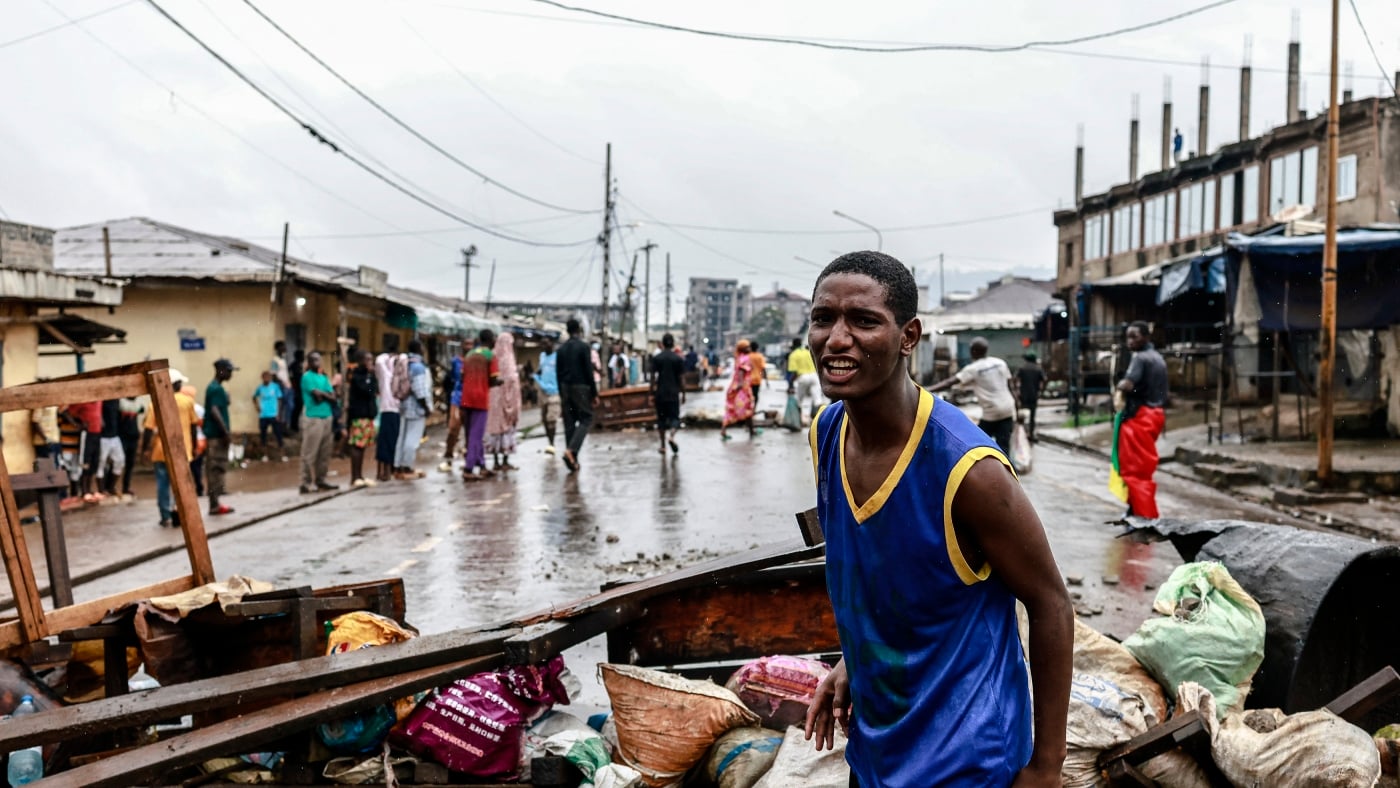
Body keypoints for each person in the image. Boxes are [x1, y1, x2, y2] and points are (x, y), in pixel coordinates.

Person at [801, 251, 1071, 787]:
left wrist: (1046, 766)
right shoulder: (826, 434)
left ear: (909, 336)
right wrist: (852, 663)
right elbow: (889, 577)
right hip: (876, 750)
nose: (836, 338)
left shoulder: (969, 470)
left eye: (864, 320)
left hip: (966, 761)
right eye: (823, 317)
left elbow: (1051, 604)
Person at [1112, 321, 1169, 519]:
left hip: (1140, 417)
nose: (1130, 341)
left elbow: (1128, 385)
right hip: (1155, 415)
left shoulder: (1140, 358)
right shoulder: (1157, 358)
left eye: (1134, 336)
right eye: (1128, 336)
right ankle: (1134, 509)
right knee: (1141, 468)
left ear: (1146, 337)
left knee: (1134, 471)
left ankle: (1145, 516)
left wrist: (1119, 384)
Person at [930, 337, 1018, 455]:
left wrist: (928, 389)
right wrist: (1018, 405)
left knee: (978, 444)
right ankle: (1008, 471)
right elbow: (1010, 386)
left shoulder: (973, 369)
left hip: (991, 413)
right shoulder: (999, 362)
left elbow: (949, 382)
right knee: (1004, 446)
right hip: (1008, 409)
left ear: (973, 351)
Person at [140, 369, 200, 528]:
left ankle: (165, 515)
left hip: (161, 451)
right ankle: (177, 511)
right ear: (178, 384)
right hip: (182, 451)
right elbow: (194, 426)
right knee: (180, 485)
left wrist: (145, 449)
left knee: (162, 484)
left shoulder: (155, 403)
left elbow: (148, 429)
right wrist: (194, 447)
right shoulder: (187, 402)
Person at [558, 319, 598, 473]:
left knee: (569, 422)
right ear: (579, 330)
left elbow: (558, 374)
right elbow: (589, 372)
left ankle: (573, 458)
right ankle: (571, 450)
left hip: (565, 388)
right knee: (586, 418)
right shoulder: (583, 347)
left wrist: (562, 395)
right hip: (581, 387)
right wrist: (594, 393)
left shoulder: (561, 349)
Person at [460, 330, 500, 480]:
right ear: (490, 340)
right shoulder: (490, 355)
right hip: (480, 398)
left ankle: (481, 465)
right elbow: (494, 379)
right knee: (476, 435)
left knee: (471, 433)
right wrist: (498, 382)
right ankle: (469, 468)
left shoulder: (469, 355)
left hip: (466, 397)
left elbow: (462, 375)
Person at [298, 351, 338, 493]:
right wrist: (326, 395)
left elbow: (333, 397)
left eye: (319, 360)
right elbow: (316, 396)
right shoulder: (307, 377)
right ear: (309, 362)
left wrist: (325, 395)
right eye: (314, 360)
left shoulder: (323, 377)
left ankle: (321, 480)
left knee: (324, 452)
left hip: (327, 416)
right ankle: (305, 482)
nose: (317, 363)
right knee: (309, 452)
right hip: (313, 417)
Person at [394, 340, 432, 479]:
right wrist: (426, 407)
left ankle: (398, 466)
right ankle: (407, 467)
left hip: (404, 405)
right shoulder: (418, 367)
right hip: (416, 408)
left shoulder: (405, 363)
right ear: (420, 348)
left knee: (402, 437)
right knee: (412, 439)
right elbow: (420, 390)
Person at [203, 359, 237, 515]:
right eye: (229, 371)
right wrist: (225, 432)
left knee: (218, 468)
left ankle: (216, 501)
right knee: (215, 469)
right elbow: (215, 411)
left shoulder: (217, 389)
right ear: (221, 370)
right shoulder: (215, 389)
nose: (231, 374)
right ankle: (214, 503)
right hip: (217, 436)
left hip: (217, 435)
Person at [485, 331, 521, 471]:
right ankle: (505, 460)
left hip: (493, 400)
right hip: (508, 400)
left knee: (495, 428)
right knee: (507, 429)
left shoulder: (492, 355)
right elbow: (512, 380)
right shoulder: (509, 359)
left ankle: (496, 462)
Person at [346, 349, 378, 488]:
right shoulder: (358, 376)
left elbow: (374, 389)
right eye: (368, 360)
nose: (371, 363)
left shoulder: (367, 376)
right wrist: (371, 376)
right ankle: (355, 476)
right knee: (357, 446)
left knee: (362, 445)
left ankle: (360, 475)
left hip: (367, 414)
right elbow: (368, 390)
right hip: (359, 415)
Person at [650, 333, 685, 455]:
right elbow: (681, 378)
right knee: (675, 418)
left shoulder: (657, 358)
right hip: (673, 393)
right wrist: (683, 393)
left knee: (661, 420)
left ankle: (663, 445)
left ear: (663, 344)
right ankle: (672, 436)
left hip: (660, 393)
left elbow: (653, 378)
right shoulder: (678, 359)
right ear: (673, 344)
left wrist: (651, 393)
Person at [374, 351, 401, 483]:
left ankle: (391, 469)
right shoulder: (386, 376)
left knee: (394, 442)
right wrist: (390, 356)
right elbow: (379, 361)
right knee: (384, 443)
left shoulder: (401, 378)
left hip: (398, 413)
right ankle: (382, 472)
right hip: (387, 411)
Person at [720, 340, 756, 440]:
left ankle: (751, 431)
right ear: (742, 349)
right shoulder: (745, 358)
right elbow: (741, 371)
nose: (749, 349)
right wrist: (740, 384)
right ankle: (751, 431)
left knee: (734, 409)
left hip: (738, 387)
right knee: (746, 409)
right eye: (747, 347)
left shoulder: (739, 358)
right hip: (742, 388)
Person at [440, 343, 468, 471]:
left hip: (470, 398)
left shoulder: (474, 360)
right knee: (453, 428)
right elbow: (450, 378)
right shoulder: (455, 361)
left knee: (469, 430)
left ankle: (469, 458)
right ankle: (449, 454)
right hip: (457, 397)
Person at [70, 400, 103, 502]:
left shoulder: (99, 401)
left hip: (97, 433)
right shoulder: (83, 401)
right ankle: (84, 491)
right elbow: (68, 412)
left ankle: (89, 489)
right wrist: (76, 424)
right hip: (86, 434)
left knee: (94, 462)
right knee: (85, 462)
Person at [787, 338, 823, 420]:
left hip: (803, 377)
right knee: (817, 400)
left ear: (793, 345)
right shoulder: (808, 352)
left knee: (798, 401)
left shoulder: (793, 355)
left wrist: (790, 384)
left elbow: (794, 372)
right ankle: (820, 419)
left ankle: (798, 420)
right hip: (814, 376)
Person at [535, 336, 561, 451]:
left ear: (552, 344)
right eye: (542, 344)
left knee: (552, 418)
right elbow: (540, 370)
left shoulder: (558, 357)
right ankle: (550, 441)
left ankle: (552, 443)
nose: (544, 346)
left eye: (546, 344)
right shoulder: (542, 356)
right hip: (543, 391)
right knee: (544, 418)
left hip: (555, 391)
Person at [1016, 351, 1047, 442]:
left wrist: (1016, 390)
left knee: (1021, 416)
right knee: (1032, 416)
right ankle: (1031, 433)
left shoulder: (1022, 368)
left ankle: (1022, 434)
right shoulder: (1038, 369)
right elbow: (1045, 379)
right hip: (1034, 395)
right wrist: (1041, 390)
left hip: (1023, 395)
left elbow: (1014, 379)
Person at [253, 370, 285, 460]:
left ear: (270, 378)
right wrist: (257, 407)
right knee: (263, 435)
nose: (266, 379)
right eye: (265, 377)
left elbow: (280, 400)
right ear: (262, 378)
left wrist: (279, 413)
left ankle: (282, 454)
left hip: (274, 414)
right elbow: (254, 397)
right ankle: (265, 455)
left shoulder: (275, 387)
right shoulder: (260, 388)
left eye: (268, 377)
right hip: (263, 415)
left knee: (278, 434)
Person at [97, 399, 125, 497]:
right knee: (101, 462)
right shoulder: (101, 400)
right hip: (103, 436)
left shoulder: (116, 401)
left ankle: (110, 487)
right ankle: (101, 490)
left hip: (115, 435)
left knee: (120, 461)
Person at [117, 397, 142, 499]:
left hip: (133, 437)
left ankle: (126, 487)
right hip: (123, 436)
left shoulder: (137, 403)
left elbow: (142, 409)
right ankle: (110, 487)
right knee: (118, 462)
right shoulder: (122, 403)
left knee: (130, 464)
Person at [271, 341, 292, 428]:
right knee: (281, 408)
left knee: (289, 406)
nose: (285, 348)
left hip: (287, 386)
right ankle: (281, 427)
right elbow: (274, 374)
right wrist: (281, 384)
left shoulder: (283, 359)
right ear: (277, 348)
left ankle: (285, 425)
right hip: (281, 386)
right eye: (283, 346)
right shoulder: (275, 360)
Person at [287, 348, 306, 433]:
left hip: (300, 390)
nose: (304, 357)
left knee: (298, 408)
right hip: (297, 390)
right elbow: (291, 375)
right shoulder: (294, 365)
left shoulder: (299, 365)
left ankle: (295, 425)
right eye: (302, 355)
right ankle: (293, 426)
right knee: (297, 408)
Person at [747, 340, 767, 407]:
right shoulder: (760, 356)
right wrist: (765, 379)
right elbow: (763, 369)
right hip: (757, 379)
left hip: (748, 379)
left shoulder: (748, 356)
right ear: (757, 348)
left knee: (748, 395)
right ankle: (754, 408)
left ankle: (748, 408)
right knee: (755, 394)